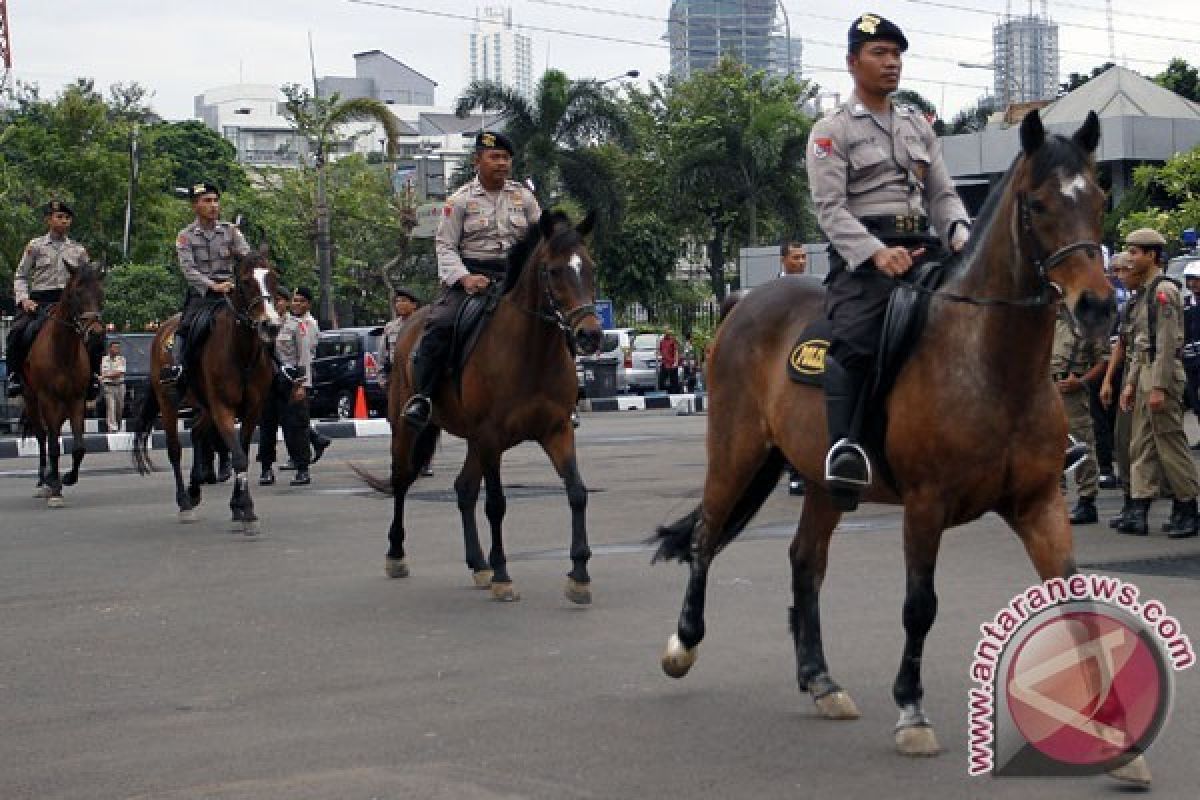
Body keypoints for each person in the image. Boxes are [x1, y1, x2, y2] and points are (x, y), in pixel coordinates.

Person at [806, 13, 971, 507]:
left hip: (926, 248)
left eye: (896, 54)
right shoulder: (831, 129)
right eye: (879, 53)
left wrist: (962, 233)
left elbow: (942, 195)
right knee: (856, 339)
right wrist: (876, 254)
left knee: (989, 311)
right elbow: (830, 210)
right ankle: (844, 448)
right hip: (866, 260)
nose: (891, 63)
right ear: (853, 62)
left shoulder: (918, 125)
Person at [401, 131, 541, 430]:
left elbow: (541, 241)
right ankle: (423, 397)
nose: (502, 163)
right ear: (477, 160)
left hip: (514, 279)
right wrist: (464, 278)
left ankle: (563, 397)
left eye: (506, 158)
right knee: (439, 324)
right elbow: (445, 246)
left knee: (554, 319)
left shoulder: (524, 198)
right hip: (472, 278)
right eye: (494, 157)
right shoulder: (460, 200)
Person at [1116, 227, 1200, 538]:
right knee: (1143, 445)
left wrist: (1160, 386)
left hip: (1161, 373)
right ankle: (1140, 508)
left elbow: (1165, 344)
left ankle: (1188, 508)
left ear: (1152, 255)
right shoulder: (1146, 293)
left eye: (1135, 252)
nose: (1130, 257)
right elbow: (1142, 344)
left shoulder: (1165, 291)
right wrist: (1131, 383)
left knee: (1170, 443)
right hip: (1146, 371)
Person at [161, 182, 251, 388]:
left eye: (216, 201)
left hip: (231, 292)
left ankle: (277, 368)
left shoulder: (231, 232)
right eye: (207, 201)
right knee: (186, 328)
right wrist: (212, 285)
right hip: (202, 296)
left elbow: (248, 259)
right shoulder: (186, 236)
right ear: (195, 206)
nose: (213, 206)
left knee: (258, 321)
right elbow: (189, 270)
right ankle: (178, 369)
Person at [6, 201, 98, 398]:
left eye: (67, 218)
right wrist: (24, 300)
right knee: (17, 331)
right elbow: (21, 275)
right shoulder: (35, 246)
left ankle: (94, 377)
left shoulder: (78, 250)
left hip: (70, 304)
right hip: (39, 302)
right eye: (59, 217)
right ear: (48, 220)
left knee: (97, 334)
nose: (64, 221)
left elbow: (88, 279)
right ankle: (13, 376)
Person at [1051, 301, 1110, 524]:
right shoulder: (1048, 320)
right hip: (1048, 388)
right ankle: (1056, 498)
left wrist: (1082, 382)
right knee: (1051, 445)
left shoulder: (1088, 322)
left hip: (1072, 389)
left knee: (1080, 444)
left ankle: (1087, 500)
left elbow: (1102, 360)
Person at [279, 286, 329, 484]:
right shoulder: (284, 323)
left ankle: (303, 467)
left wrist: (301, 384)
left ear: (308, 304)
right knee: (290, 424)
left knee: (297, 424)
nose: (296, 304)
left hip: (298, 380)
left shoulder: (306, 324)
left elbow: (305, 357)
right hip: (281, 380)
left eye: (301, 301)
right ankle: (316, 440)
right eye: (295, 300)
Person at [780, 239, 809, 495]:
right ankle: (794, 473)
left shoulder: (814, 289)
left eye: (803, 257)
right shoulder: (771, 292)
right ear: (783, 260)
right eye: (795, 257)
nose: (800, 262)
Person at [257, 286, 293, 486]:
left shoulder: (295, 324)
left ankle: (300, 463)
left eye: (280, 300)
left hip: (287, 379)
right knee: (267, 426)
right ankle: (266, 467)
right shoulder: (263, 324)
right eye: (274, 300)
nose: (277, 303)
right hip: (267, 381)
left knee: (292, 424)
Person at [379, 287, 420, 388]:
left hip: (416, 376)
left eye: (403, 301)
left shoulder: (422, 325)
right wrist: (382, 378)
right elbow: (383, 355)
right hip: (396, 376)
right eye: (397, 301)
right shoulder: (390, 327)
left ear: (413, 305)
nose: (399, 304)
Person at [1181, 262, 1200, 448]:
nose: (1193, 283)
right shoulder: (1184, 304)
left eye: (1196, 279)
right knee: (1195, 400)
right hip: (1190, 360)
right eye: (1190, 280)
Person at [100, 340, 127, 432]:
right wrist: (106, 375)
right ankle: (112, 428)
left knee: (119, 409)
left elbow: (119, 372)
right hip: (109, 386)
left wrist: (105, 375)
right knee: (111, 407)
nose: (117, 349)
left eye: (118, 347)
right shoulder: (104, 359)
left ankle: (118, 426)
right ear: (110, 348)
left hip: (120, 386)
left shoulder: (121, 359)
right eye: (115, 347)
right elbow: (103, 371)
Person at [658, 328, 682, 394]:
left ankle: (675, 394)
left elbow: (676, 351)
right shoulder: (662, 341)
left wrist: (676, 362)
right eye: (665, 331)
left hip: (672, 363)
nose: (666, 332)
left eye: (668, 330)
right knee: (661, 381)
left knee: (674, 381)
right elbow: (660, 350)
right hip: (665, 363)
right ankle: (664, 394)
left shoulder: (673, 340)